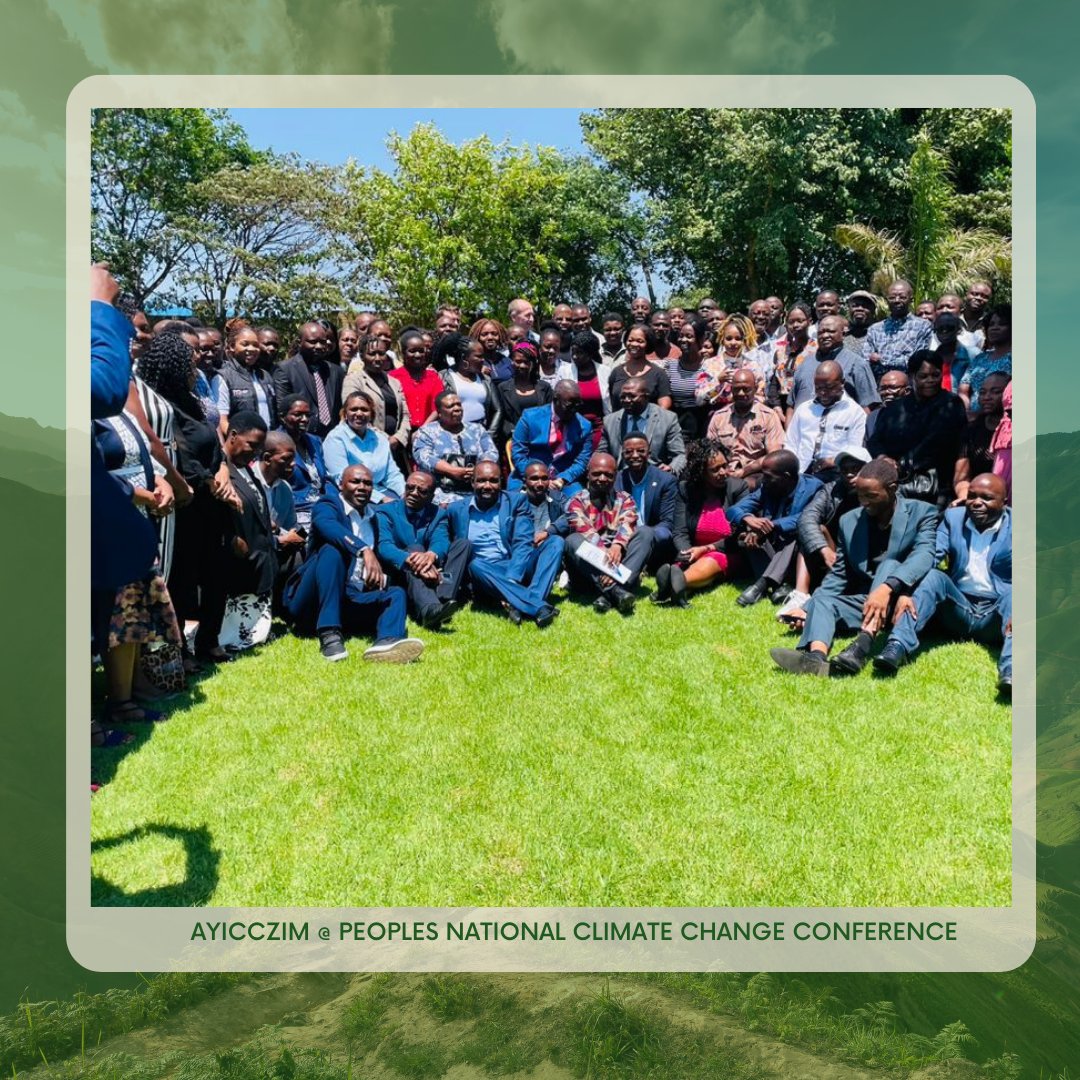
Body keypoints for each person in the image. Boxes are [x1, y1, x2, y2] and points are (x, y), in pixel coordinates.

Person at [769, 456, 938, 676]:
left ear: (893, 489)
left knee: (889, 564)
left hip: (902, 601)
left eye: (871, 495)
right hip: (866, 601)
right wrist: (807, 609)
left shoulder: (922, 512)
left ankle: (861, 646)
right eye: (859, 494)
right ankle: (815, 658)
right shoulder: (849, 521)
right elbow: (838, 576)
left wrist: (887, 589)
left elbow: (925, 556)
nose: (863, 501)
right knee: (822, 600)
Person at [876, 473, 1012, 693]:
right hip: (958, 608)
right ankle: (896, 647)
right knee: (934, 577)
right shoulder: (953, 518)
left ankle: (1011, 670)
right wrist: (906, 592)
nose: (977, 502)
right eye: (972, 496)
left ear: (1004, 502)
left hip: (996, 616)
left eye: (986, 498)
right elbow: (930, 557)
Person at [283, 464, 424, 662]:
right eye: (355, 481)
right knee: (332, 551)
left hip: (349, 598)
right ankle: (329, 633)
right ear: (341, 485)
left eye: (367, 483)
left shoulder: (373, 518)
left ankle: (387, 643)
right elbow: (328, 527)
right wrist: (363, 549)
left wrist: (376, 577)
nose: (362, 487)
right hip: (310, 603)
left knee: (395, 594)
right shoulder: (328, 505)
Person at [447, 462, 561, 626]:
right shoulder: (455, 509)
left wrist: (513, 577)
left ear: (501, 482)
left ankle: (525, 601)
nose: (487, 486)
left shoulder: (516, 501)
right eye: (481, 481)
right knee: (475, 565)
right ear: (472, 482)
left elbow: (523, 541)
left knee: (555, 542)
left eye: (493, 481)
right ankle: (538, 606)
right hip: (485, 572)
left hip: (516, 564)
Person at [778, 445, 871, 626]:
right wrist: (824, 549)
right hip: (832, 550)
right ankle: (800, 594)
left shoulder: (878, 494)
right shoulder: (831, 490)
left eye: (855, 469)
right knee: (813, 530)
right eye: (845, 470)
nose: (850, 474)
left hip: (862, 554)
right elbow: (806, 519)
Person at [868, 350, 967, 507]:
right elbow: (875, 440)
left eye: (936, 375)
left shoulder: (951, 403)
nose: (931, 381)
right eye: (923, 376)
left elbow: (937, 441)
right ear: (912, 376)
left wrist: (901, 464)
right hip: (894, 479)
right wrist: (883, 458)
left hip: (934, 482)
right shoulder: (895, 408)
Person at [374, 470, 470, 628]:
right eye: (410, 488)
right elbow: (384, 546)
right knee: (415, 547)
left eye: (422, 491)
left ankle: (443, 598)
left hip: (435, 575)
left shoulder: (438, 514)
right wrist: (413, 559)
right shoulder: (385, 511)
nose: (413, 493)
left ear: (432, 496)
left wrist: (431, 555)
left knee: (463, 544)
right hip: (401, 572)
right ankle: (429, 610)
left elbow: (441, 540)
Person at [653, 440, 743, 607]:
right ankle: (676, 584)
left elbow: (740, 535)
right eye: (715, 469)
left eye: (725, 465)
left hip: (727, 550)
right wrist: (686, 552)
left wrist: (706, 549)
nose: (723, 472)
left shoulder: (738, 488)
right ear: (701, 472)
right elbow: (680, 531)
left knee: (711, 560)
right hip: (695, 550)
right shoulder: (686, 489)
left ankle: (675, 584)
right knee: (682, 563)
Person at [727, 449, 823, 606]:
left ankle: (762, 584)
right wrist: (748, 519)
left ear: (786, 476)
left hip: (797, 557)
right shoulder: (766, 488)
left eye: (768, 476)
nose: (763, 480)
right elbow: (733, 510)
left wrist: (770, 525)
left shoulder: (814, 488)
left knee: (798, 534)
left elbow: (807, 518)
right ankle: (780, 585)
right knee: (745, 537)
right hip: (773, 549)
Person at [564, 453, 654, 614]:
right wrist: (606, 555)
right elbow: (585, 532)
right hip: (588, 571)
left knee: (645, 533)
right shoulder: (575, 502)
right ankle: (617, 590)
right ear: (588, 473)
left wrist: (617, 546)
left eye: (608, 475)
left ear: (615, 475)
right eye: (597, 473)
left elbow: (628, 524)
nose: (602, 478)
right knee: (572, 541)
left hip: (618, 562)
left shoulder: (625, 499)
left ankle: (607, 594)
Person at [218, 412, 276, 652]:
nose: (255, 452)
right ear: (233, 436)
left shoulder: (247, 469)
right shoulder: (221, 471)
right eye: (251, 445)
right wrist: (231, 537)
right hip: (235, 555)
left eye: (259, 447)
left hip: (259, 552)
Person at [412, 390, 499, 507]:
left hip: (476, 489)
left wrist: (477, 470)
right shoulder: (427, 431)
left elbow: (491, 452)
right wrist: (452, 471)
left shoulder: (477, 429)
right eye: (450, 406)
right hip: (441, 492)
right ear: (439, 413)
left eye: (459, 404)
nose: (457, 408)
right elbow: (422, 456)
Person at [783, 361, 868, 481]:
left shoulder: (855, 413)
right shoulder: (804, 409)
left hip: (833, 473)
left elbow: (854, 451)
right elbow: (791, 444)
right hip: (799, 471)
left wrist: (832, 461)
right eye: (818, 388)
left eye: (829, 388)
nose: (823, 393)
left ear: (842, 383)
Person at [704, 368, 785, 486]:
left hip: (755, 473)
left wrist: (744, 471)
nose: (741, 393)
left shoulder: (768, 416)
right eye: (736, 389)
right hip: (724, 473)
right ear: (731, 389)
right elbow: (710, 453)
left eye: (746, 389)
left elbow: (774, 456)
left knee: (749, 484)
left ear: (755, 389)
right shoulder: (719, 417)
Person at [510, 380, 593, 494]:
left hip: (563, 478)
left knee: (579, 502)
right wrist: (536, 478)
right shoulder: (530, 418)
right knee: (516, 501)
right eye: (569, 406)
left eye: (577, 405)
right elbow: (518, 454)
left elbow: (582, 461)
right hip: (529, 475)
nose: (574, 410)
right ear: (555, 400)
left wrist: (563, 479)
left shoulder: (584, 426)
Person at [786, 314, 879, 415]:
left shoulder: (857, 364)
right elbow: (791, 406)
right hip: (804, 428)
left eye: (831, 331)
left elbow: (869, 407)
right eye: (821, 332)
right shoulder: (804, 364)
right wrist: (790, 429)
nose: (825, 336)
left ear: (843, 335)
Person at [322, 390, 405, 502]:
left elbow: (392, 474)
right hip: (353, 497)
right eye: (354, 409)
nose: (359, 413)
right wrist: (381, 499)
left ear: (371, 414)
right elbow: (341, 479)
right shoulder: (335, 439)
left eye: (364, 410)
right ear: (345, 414)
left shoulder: (380, 439)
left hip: (382, 491)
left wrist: (404, 493)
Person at [598, 377, 687, 475]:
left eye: (632, 396)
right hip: (620, 477)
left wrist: (671, 468)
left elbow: (679, 455)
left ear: (646, 397)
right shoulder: (610, 421)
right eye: (623, 397)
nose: (626, 400)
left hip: (654, 476)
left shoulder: (667, 419)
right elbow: (601, 453)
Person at [272, 321, 344, 439]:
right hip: (300, 438)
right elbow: (283, 408)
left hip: (332, 438)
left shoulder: (336, 371)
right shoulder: (285, 369)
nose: (319, 346)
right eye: (312, 342)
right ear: (299, 342)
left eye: (322, 342)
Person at [341, 334, 412, 455]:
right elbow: (354, 415)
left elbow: (406, 414)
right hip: (368, 447)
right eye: (372, 354)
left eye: (382, 353)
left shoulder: (394, 382)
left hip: (397, 449)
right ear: (362, 356)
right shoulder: (353, 380)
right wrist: (386, 439)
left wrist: (398, 438)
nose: (378, 358)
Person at [616, 433, 680, 567]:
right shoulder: (617, 480)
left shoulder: (665, 480)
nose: (634, 455)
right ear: (622, 455)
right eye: (628, 452)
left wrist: (643, 537)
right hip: (622, 536)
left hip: (652, 536)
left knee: (661, 534)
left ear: (649, 454)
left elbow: (667, 522)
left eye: (640, 451)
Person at [953, 373, 1010, 502]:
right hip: (979, 499)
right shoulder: (971, 430)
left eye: (995, 392)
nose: (987, 397)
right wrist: (965, 496)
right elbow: (961, 478)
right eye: (982, 392)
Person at [213, 319, 277, 434]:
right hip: (242, 445)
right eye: (245, 344)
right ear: (232, 346)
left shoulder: (265, 376)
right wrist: (241, 441)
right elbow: (221, 421)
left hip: (267, 442)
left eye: (255, 345)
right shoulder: (223, 377)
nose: (251, 349)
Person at [865, 279, 933, 379]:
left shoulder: (923, 326)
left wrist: (881, 359)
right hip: (879, 387)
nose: (897, 300)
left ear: (911, 299)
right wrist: (901, 360)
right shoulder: (874, 329)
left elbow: (916, 362)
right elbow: (866, 362)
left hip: (908, 387)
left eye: (902, 297)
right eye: (892, 297)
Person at [695, 314, 768, 406]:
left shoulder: (753, 366)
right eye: (729, 339)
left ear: (744, 341)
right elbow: (699, 399)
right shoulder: (709, 364)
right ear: (722, 339)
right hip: (716, 415)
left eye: (738, 339)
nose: (733, 343)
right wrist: (718, 381)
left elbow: (761, 396)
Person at [277, 394, 326, 530]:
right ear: (282, 417)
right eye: (298, 414)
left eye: (307, 415)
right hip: (295, 510)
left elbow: (326, 479)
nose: (304, 419)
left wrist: (332, 501)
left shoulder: (314, 441)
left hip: (321, 506)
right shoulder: (274, 444)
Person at [435, 333, 501, 432]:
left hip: (481, 433)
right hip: (452, 433)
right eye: (479, 356)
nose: (483, 360)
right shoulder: (444, 377)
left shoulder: (486, 380)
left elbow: (497, 409)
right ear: (464, 357)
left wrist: (490, 434)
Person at [493, 341, 554, 448]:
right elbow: (501, 417)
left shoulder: (545, 388)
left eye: (526, 362)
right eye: (518, 361)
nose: (522, 365)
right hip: (512, 442)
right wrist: (516, 432)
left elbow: (550, 415)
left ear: (533, 363)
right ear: (511, 362)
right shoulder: (502, 388)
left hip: (540, 441)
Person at [664, 316, 711, 440]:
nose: (683, 339)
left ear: (700, 339)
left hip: (700, 425)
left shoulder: (709, 367)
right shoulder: (670, 366)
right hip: (676, 424)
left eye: (689, 336)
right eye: (681, 336)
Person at [389, 328, 445, 431]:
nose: (417, 355)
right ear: (403, 353)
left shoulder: (433, 376)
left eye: (421, 351)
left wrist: (422, 431)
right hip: (400, 432)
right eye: (412, 351)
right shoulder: (393, 377)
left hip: (429, 431)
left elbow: (438, 407)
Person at [958, 304, 1011, 411]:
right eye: (991, 324)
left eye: (1002, 324)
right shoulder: (980, 359)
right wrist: (967, 414)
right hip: (974, 421)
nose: (994, 328)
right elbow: (963, 391)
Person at [568, 331, 616, 447]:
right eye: (573, 352)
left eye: (579, 353)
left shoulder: (605, 372)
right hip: (573, 430)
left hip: (599, 430)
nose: (575, 356)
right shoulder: (565, 372)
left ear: (590, 354)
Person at [609, 325, 673, 408]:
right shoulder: (616, 372)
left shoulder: (659, 374)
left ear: (648, 343)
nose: (634, 344)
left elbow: (664, 401)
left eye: (640, 341)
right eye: (630, 340)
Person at [768, 302, 816, 411]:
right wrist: (776, 406)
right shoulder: (780, 350)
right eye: (791, 322)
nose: (795, 325)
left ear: (809, 322)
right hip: (781, 406)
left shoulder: (817, 350)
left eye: (800, 321)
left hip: (807, 406)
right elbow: (774, 381)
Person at [521, 461, 572, 542]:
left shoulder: (557, 498)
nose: (540, 484)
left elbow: (573, 514)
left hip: (550, 547)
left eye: (544, 478)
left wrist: (548, 532)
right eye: (534, 479)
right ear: (524, 482)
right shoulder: (513, 503)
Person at [863, 369, 911, 445]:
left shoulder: (918, 415)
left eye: (892, 388)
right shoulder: (873, 417)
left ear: (907, 391)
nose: (887, 392)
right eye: (883, 389)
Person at [931, 311, 973, 392]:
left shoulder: (972, 354)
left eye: (949, 328)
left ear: (959, 329)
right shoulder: (931, 359)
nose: (944, 332)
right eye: (940, 329)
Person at [469, 317, 512, 382]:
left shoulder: (506, 361)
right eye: (484, 334)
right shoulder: (471, 362)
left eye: (494, 334)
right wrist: (478, 374)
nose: (490, 337)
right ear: (477, 337)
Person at [843, 290, 877, 358]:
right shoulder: (841, 335)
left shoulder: (879, 335)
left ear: (873, 311)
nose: (860, 309)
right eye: (855, 306)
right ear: (849, 309)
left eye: (865, 306)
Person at [961, 280, 993, 348]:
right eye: (974, 294)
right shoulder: (954, 317)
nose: (978, 298)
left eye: (984, 296)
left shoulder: (991, 322)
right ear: (966, 295)